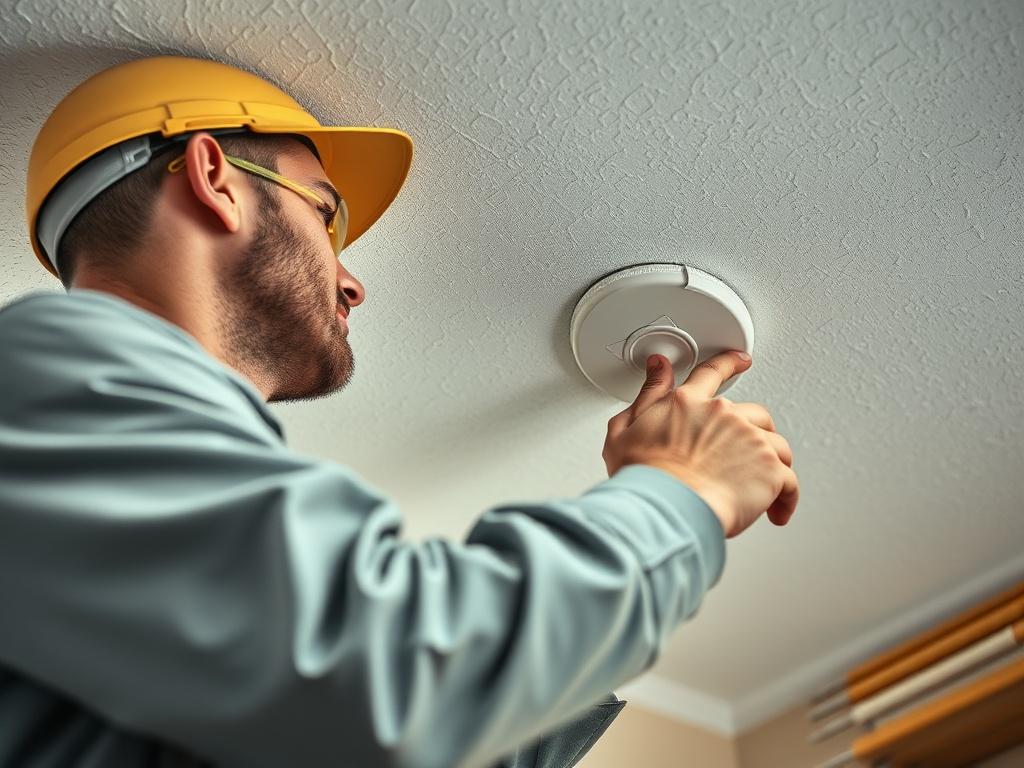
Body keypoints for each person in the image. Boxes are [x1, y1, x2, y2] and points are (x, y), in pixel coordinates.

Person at [0, 55, 798, 768]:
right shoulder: (46, 359)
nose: (353, 284)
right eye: (323, 214)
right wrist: (677, 494)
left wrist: (632, 553)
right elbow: (389, 687)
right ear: (215, 178)